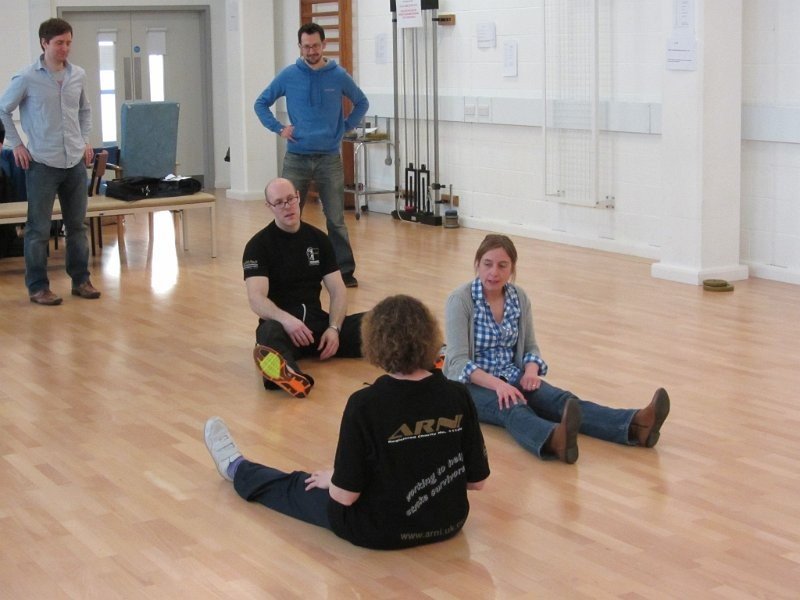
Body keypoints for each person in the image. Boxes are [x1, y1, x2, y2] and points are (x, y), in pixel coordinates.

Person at [204, 294, 490, 549]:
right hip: (449, 522)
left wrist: (335, 478)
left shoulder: (365, 404)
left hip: (378, 530)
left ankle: (236, 468)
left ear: (374, 343)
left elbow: (344, 497)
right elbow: (476, 482)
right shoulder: (458, 394)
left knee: (298, 485)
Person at [443, 234, 670, 464]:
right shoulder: (460, 300)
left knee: (561, 400)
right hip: (471, 386)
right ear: (477, 264)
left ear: (512, 268)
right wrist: (499, 386)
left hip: (511, 373)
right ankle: (554, 440)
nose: (494, 272)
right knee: (512, 407)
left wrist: (531, 371)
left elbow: (530, 346)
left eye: (502, 265)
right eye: (487, 264)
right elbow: (458, 362)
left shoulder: (518, 297)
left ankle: (636, 425)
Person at [254, 22, 368, 288]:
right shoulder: (288, 75)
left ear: (324, 45)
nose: (311, 51)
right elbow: (261, 103)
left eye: (315, 46)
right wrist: (279, 128)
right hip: (297, 157)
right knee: (289, 214)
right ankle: (287, 268)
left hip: (329, 158)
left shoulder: (338, 75)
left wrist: (345, 126)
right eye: (306, 47)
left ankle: (344, 270)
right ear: (300, 47)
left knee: (336, 219)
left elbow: (362, 102)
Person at [0, 18, 100, 305]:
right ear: (44, 43)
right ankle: (38, 287)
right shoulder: (26, 77)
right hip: (42, 163)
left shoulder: (77, 75)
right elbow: (3, 110)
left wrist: (84, 139)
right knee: (38, 229)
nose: (65, 48)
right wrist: (17, 145)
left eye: (68, 43)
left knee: (77, 226)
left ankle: (81, 280)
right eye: (59, 43)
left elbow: (84, 110)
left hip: (74, 162)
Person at [243, 177, 364, 398]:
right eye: (279, 202)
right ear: (269, 206)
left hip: (319, 328)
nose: (287, 206)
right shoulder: (258, 246)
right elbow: (256, 298)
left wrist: (334, 328)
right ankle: (289, 375)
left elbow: (338, 290)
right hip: (283, 330)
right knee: (268, 334)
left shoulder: (318, 239)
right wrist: (288, 321)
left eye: (290, 199)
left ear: (299, 197)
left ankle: (421, 353)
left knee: (382, 319)